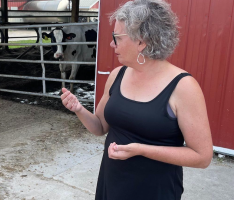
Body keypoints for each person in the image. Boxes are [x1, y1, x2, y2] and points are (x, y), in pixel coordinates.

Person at [60, 0, 213, 199]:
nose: (111, 43)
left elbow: (202, 157)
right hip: (111, 183)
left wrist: (141, 150)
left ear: (141, 42)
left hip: (154, 190)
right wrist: (79, 109)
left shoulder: (183, 87)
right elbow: (99, 127)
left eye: (117, 37)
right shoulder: (117, 75)